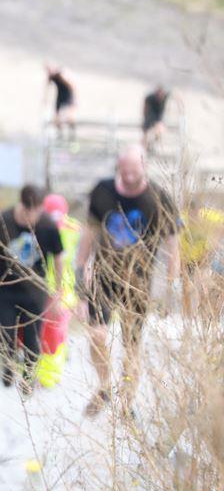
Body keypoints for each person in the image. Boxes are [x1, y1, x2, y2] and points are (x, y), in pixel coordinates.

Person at [76, 145, 181, 417]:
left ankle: (126, 403)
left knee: (131, 346)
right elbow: (88, 234)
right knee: (97, 336)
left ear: (144, 166)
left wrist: (172, 288)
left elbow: (173, 246)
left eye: (134, 171)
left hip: (138, 283)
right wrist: (80, 274)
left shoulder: (159, 197)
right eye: (124, 171)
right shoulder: (103, 191)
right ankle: (104, 386)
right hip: (104, 277)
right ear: (118, 168)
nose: (129, 176)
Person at [0, 184, 64, 395]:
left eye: (35, 212)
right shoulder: (3, 221)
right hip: (6, 289)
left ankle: (28, 378)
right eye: (28, 212)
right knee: (4, 334)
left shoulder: (47, 225)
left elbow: (58, 258)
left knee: (32, 339)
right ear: (21, 204)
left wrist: (57, 292)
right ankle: (8, 368)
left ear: (41, 207)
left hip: (35, 291)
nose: (31, 217)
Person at [45, 64, 77, 142]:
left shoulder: (60, 75)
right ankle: (60, 136)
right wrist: (45, 99)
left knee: (69, 117)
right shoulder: (51, 76)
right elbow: (47, 87)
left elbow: (71, 86)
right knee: (56, 118)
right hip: (60, 97)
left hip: (67, 96)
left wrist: (74, 101)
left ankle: (72, 137)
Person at [141, 85, 170, 151]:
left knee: (159, 130)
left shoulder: (165, 96)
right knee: (146, 133)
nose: (160, 96)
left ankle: (150, 145)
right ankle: (145, 147)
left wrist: (181, 107)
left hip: (158, 119)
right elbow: (145, 108)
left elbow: (176, 94)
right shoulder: (150, 98)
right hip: (150, 118)